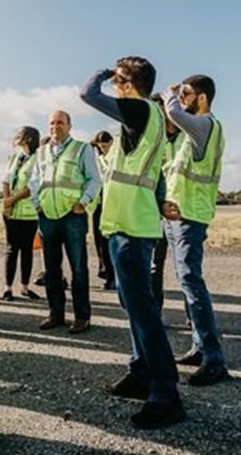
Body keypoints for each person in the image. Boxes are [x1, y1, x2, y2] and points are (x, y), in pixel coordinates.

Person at [81, 56, 184, 429]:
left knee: (143, 313)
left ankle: (165, 393)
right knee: (134, 305)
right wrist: (160, 201)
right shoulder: (150, 117)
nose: (113, 88)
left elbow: (87, 93)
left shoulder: (139, 109)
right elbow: (151, 174)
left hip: (132, 228)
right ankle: (142, 373)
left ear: (126, 83)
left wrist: (104, 72)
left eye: (118, 81)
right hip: (128, 223)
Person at [162, 75, 230, 386]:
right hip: (178, 216)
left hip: (191, 216)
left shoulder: (205, 126)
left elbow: (174, 113)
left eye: (187, 93)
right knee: (185, 280)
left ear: (201, 98)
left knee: (192, 280)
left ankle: (214, 358)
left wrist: (169, 94)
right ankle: (199, 346)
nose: (181, 97)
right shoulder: (192, 134)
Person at [30, 110, 102, 333]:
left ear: (69, 126)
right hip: (48, 216)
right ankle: (56, 314)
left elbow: (94, 179)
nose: (55, 127)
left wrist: (84, 202)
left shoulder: (83, 149)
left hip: (73, 215)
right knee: (52, 270)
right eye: (51, 123)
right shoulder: (41, 152)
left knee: (78, 268)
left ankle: (82, 316)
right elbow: (34, 181)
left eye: (60, 123)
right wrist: (37, 204)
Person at [1, 126, 41, 302]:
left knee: (26, 250)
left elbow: (32, 186)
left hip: (29, 213)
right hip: (11, 212)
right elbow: (6, 180)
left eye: (20, 135)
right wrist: (7, 203)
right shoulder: (15, 156)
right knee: (11, 249)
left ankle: (24, 287)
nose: (16, 137)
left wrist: (12, 200)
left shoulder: (38, 159)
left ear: (29, 139)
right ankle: (7, 288)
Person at [151, 95, 182, 311]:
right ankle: (155, 314)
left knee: (185, 269)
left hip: (182, 211)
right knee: (154, 267)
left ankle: (194, 319)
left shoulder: (189, 135)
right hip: (156, 212)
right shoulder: (152, 140)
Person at [90, 130, 115, 290]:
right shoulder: (95, 159)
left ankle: (115, 275)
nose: (104, 149)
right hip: (99, 205)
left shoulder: (117, 157)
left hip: (113, 204)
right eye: (101, 147)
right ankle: (106, 273)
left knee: (113, 241)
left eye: (106, 146)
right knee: (101, 243)